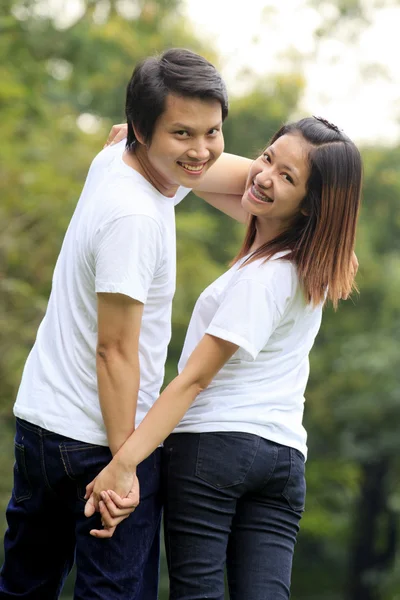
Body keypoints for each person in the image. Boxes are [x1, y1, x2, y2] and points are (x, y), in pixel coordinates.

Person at [0, 48, 253, 600]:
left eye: (213, 131)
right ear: (141, 128)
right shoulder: (135, 216)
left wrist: (303, 193)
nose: (202, 150)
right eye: (183, 133)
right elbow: (114, 350)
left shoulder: (123, 158)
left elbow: (252, 188)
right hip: (100, 441)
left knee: (23, 586)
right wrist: (123, 465)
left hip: (43, 424)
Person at [84, 116, 363, 600]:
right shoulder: (318, 257)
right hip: (282, 459)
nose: (263, 176)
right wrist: (155, 144)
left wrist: (124, 463)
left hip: (214, 450)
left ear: (312, 204)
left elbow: (194, 380)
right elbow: (191, 173)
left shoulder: (267, 276)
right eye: (268, 157)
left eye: (287, 177)